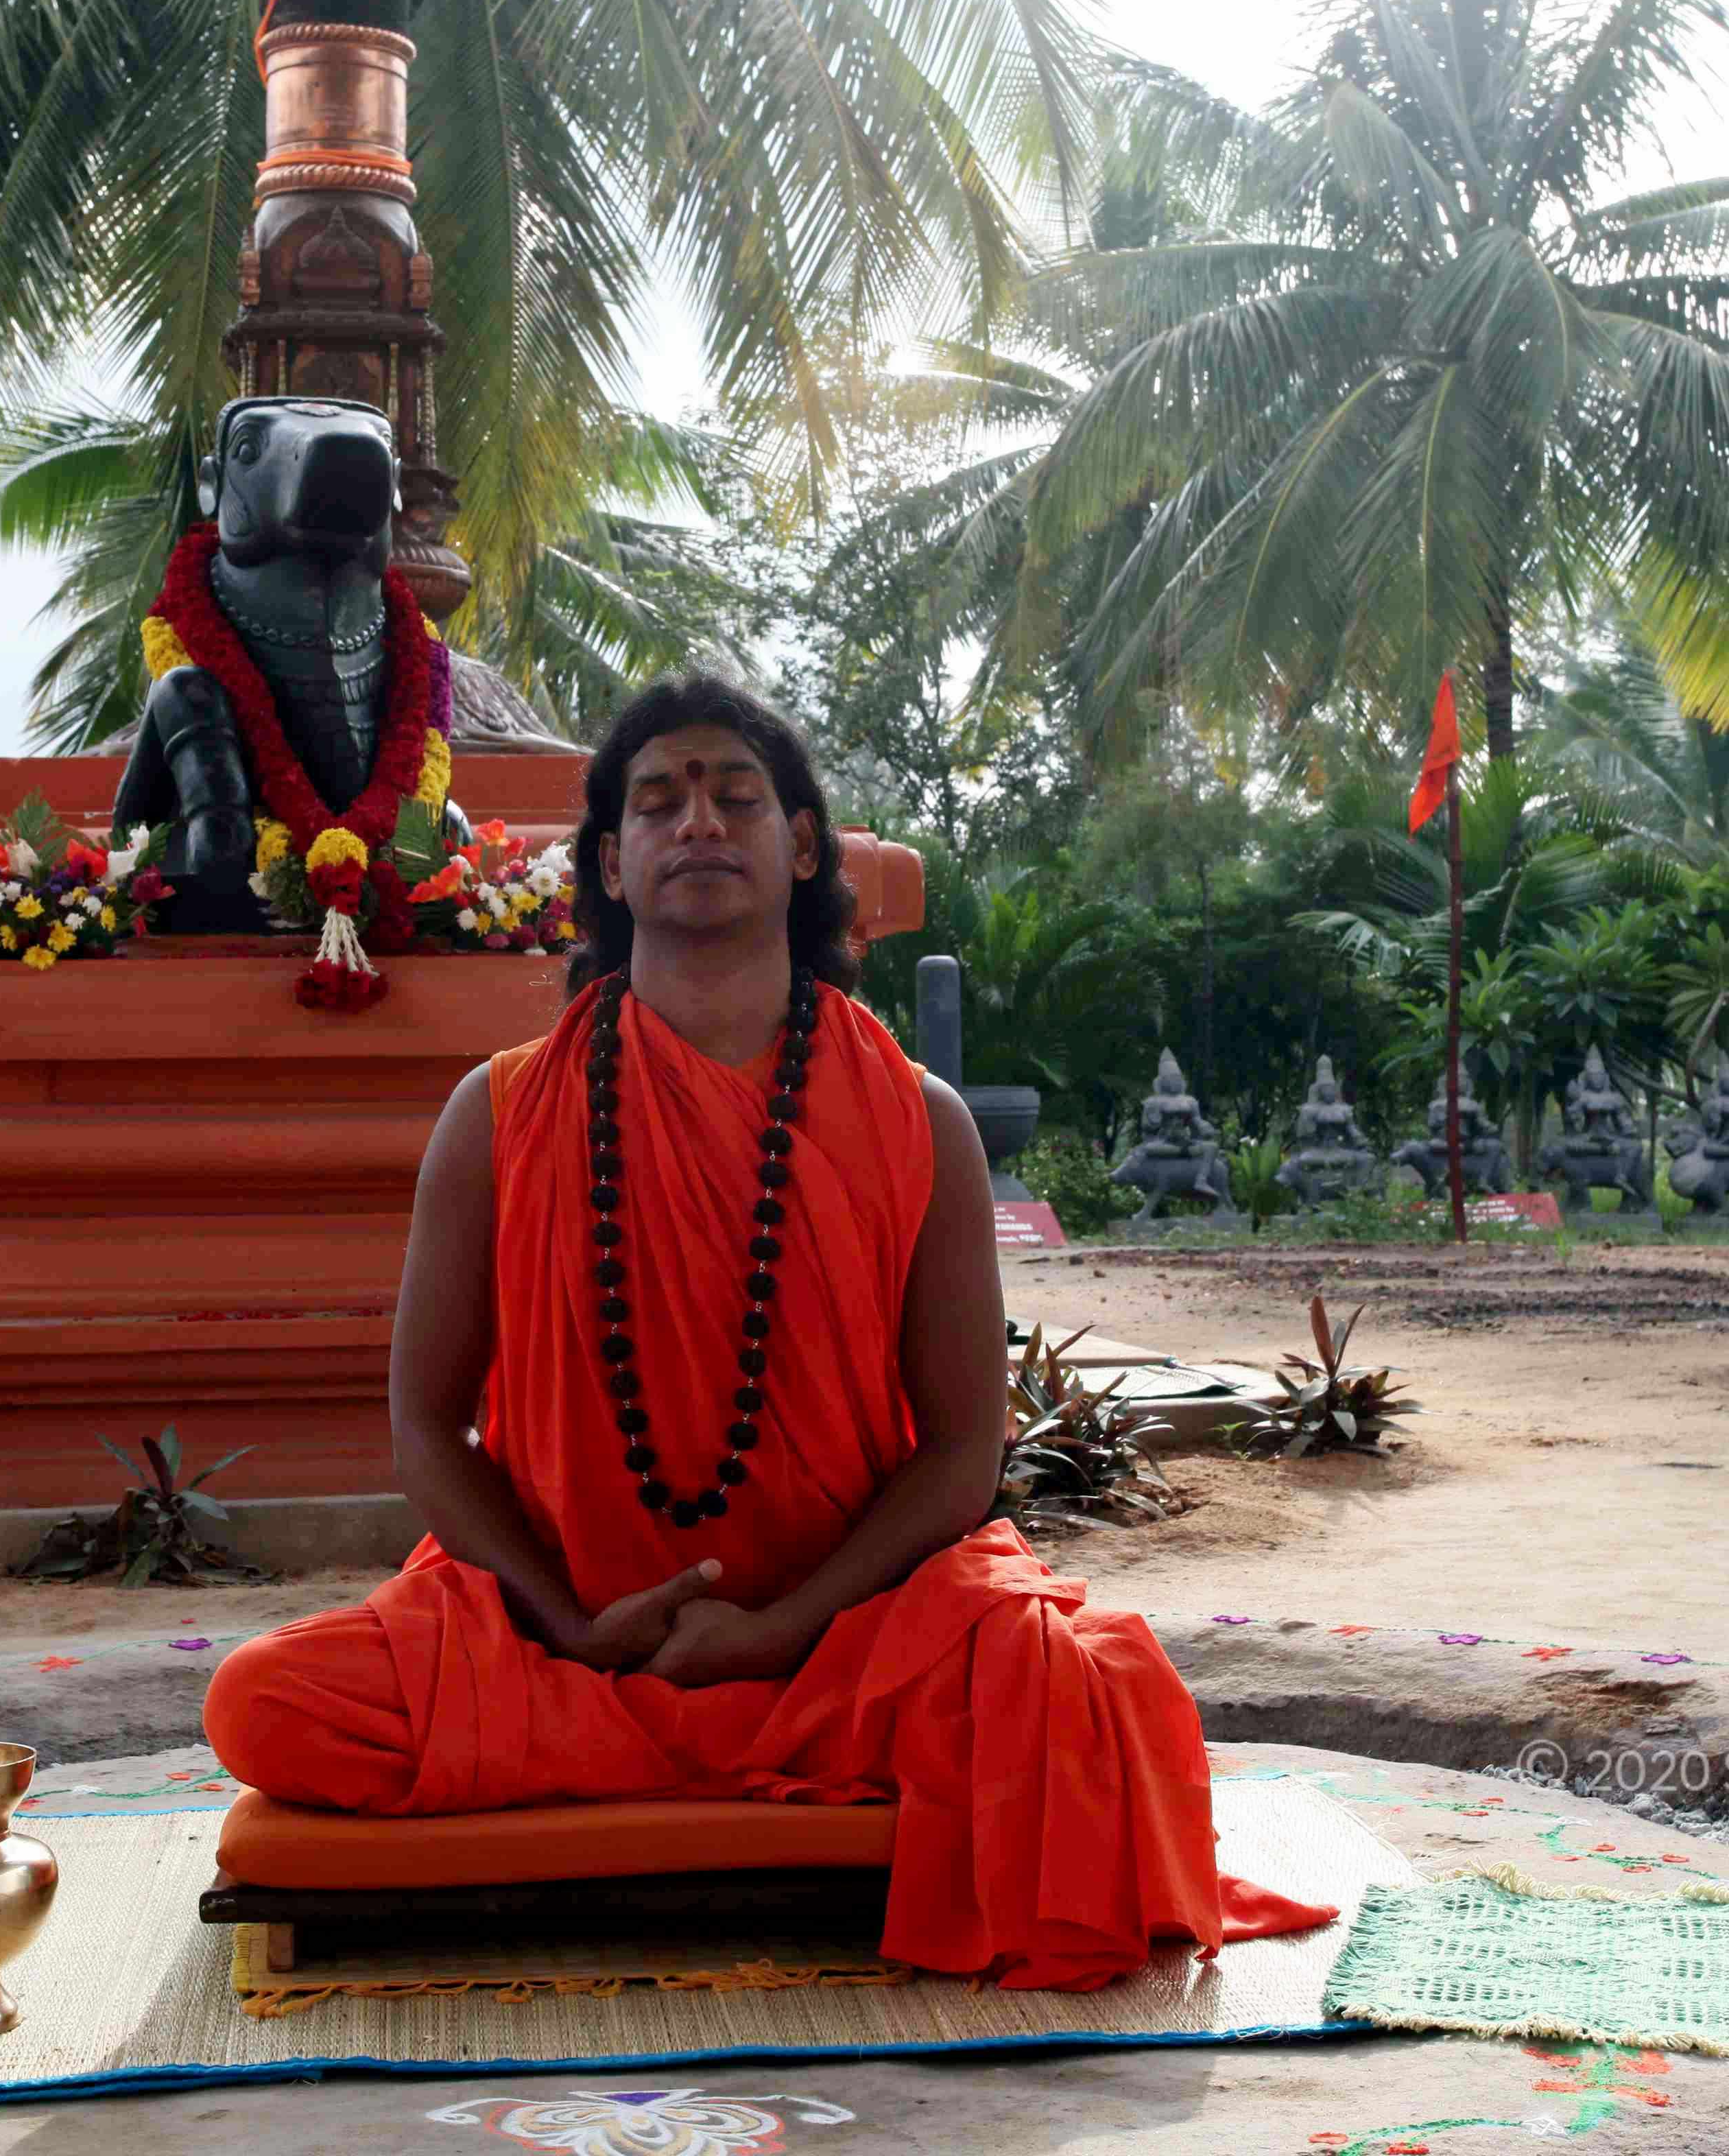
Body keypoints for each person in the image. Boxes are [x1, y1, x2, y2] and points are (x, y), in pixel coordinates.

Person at [204, 674, 1331, 1989]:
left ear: (801, 849)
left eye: (737, 797)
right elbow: (426, 1425)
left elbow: (962, 1449)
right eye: (658, 803)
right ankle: (735, 1757)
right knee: (263, 1704)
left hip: (851, 1645)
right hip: (566, 1645)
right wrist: (567, 1625)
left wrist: (783, 1629)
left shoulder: (919, 1119)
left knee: (1085, 1688)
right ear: (611, 865)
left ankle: (649, 1760)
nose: (699, 823)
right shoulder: (500, 1113)